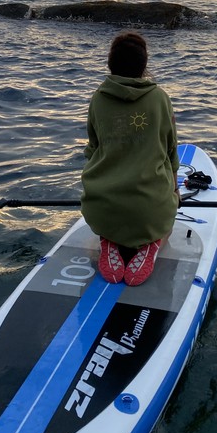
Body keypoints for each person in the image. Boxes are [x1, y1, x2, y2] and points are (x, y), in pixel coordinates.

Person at [81, 31, 180, 286]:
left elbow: (93, 149)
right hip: (149, 210)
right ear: (144, 66)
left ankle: (110, 240)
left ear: (110, 64)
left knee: (109, 219)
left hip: (103, 205)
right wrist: (175, 191)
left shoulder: (98, 99)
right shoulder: (160, 98)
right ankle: (151, 245)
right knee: (169, 216)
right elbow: (170, 151)